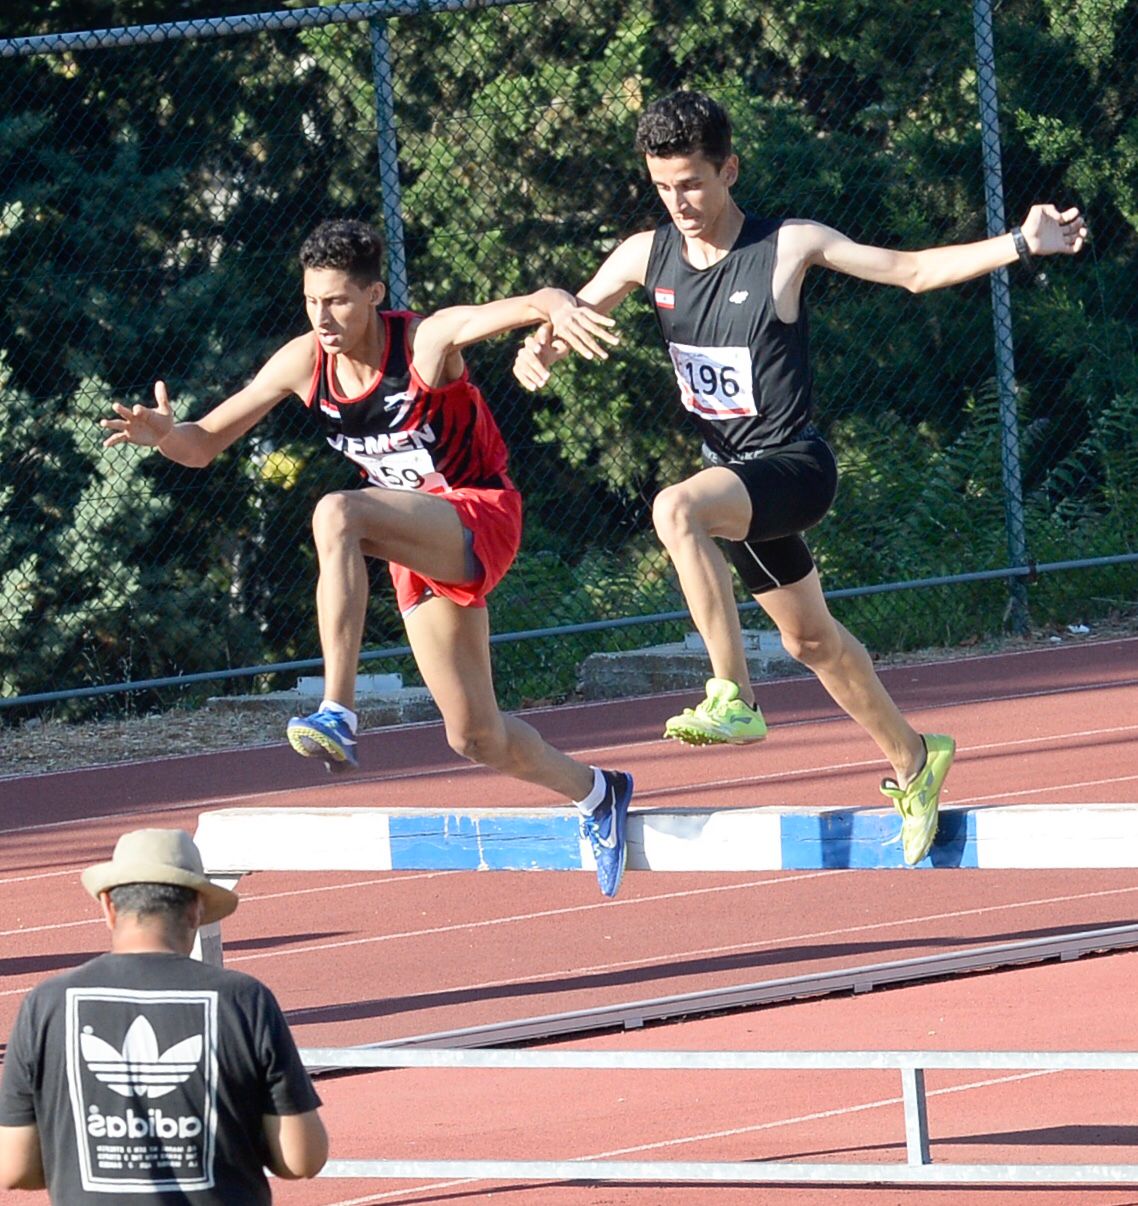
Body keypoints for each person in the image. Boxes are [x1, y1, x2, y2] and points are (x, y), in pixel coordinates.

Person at [514, 90, 1087, 866]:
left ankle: (734, 695)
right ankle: (915, 759)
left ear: (729, 170)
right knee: (810, 639)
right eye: (663, 187)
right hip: (735, 483)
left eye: (693, 184)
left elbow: (912, 271)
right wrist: (541, 348)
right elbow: (570, 317)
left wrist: (1021, 242)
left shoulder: (787, 246)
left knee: (675, 509)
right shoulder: (644, 255)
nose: (679, 203)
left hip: (793, 468)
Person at [100, 221, 633, 897]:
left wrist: (557, 305)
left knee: (337, 512)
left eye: (338, 302)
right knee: (474, 736)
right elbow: (203, 444)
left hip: (479, 517)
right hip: (410, 540)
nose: (322, 318)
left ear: (375, 295)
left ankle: (338, 711)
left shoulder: (424, 345)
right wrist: (164, 436)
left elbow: (524, 304)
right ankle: (599, 793)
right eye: (311, 301)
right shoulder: (304, 362)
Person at [0, 828, 328, 1202]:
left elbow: (14, 1166)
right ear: (196, 910)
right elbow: (302, 1158)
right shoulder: (243, 1000)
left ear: (108, 906)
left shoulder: (46, 1003)